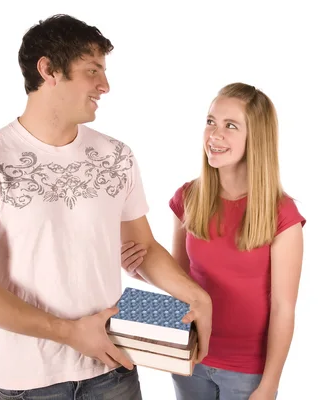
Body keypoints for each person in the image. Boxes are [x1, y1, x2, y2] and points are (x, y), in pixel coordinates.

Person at [0, 14, 212, 400]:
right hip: (30, 384)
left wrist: (197, 297)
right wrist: (70, 333)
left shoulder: (116, 156)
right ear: (48, 69)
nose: (105, 85)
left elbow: (142, 250)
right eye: (92, 71)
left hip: (114, 369)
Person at [121, 82, 306, 400]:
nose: (214, 135)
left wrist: (269, 386)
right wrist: (140, 272)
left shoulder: (282, 213)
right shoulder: (189, 197)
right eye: (210, 122)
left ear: (256, 138)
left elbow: (283, 309)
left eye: (230, 126)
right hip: (191, 358)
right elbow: (181, 281)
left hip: (247, 371)